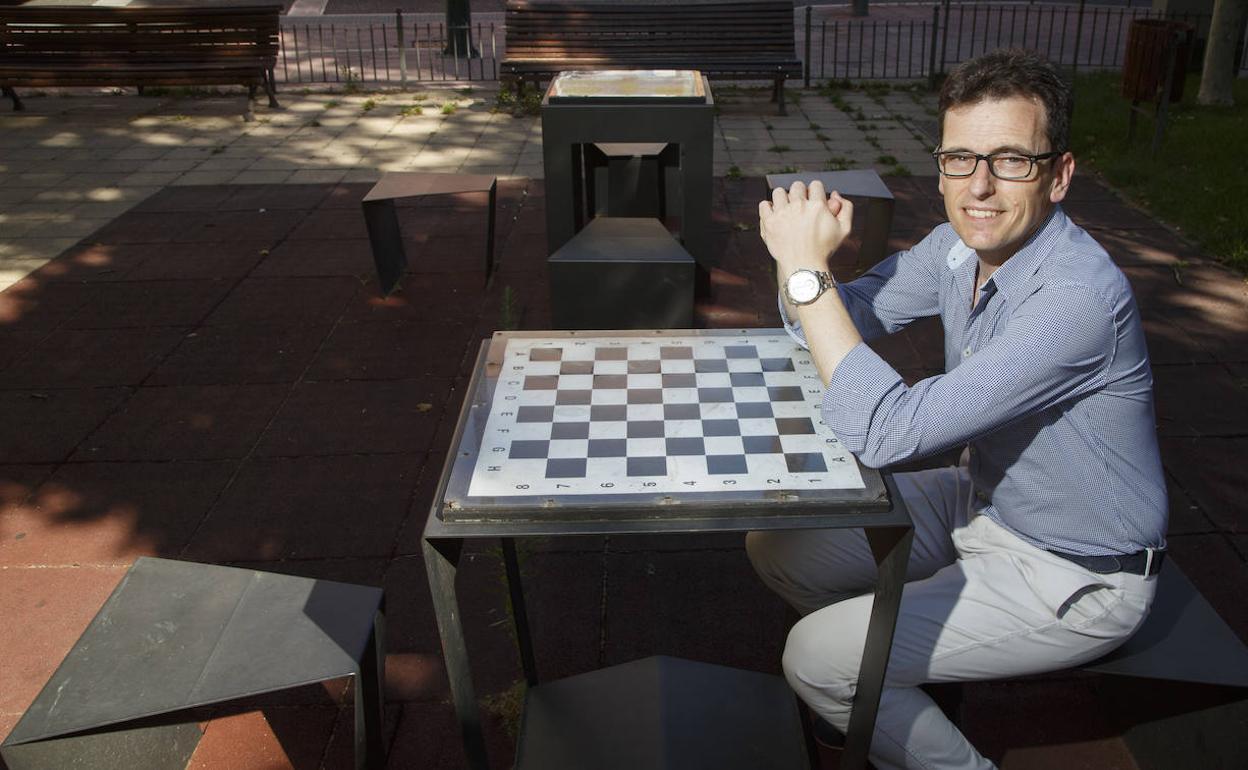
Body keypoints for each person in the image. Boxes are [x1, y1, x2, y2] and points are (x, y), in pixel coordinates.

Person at [747, 49, 1167, 770]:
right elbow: (833, 317)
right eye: (959, 159)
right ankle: (884, 685)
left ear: (1059, 175)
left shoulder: (1076, 301)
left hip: (1075, 571)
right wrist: (806, 272)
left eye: (1010, 161)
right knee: (778, 545)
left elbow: (887, 431)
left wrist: (806, 275)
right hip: (983, 503)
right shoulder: (955, 249)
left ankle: (892, 710)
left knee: (813, 659)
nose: (979, 186)